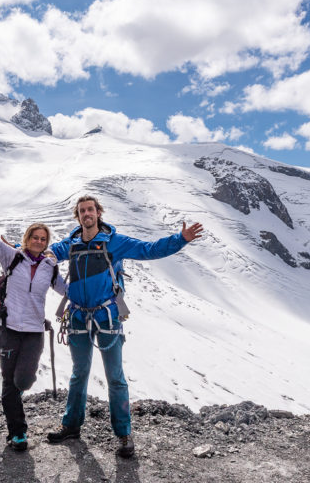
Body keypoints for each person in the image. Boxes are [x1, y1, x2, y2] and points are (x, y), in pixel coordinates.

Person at [46, 195, 203, 458]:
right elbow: (44, 253)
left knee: (115, 376)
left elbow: (149, 249)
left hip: (107, 315)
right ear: (78, 215)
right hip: (77, 316)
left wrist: (181, 239)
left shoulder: (115, 242)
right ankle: (71, 426)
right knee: (79, 373)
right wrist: (21, 248)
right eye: (82, 210)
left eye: (91, 210)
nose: (87, 214)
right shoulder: (70, 244)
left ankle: (123, 433)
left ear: (98, 213)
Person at [0, 192, 66, 452]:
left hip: (33, 333)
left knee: (24, 381)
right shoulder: (12, 257)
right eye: (35, 237)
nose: (39, 242)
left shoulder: (50, 268)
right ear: (26, 239)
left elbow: (68, 291)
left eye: (43, 239)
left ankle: (16, 416)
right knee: (9, 384)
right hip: (7, 330)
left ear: (46, 243)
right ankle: (18, 433)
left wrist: (103, 290)